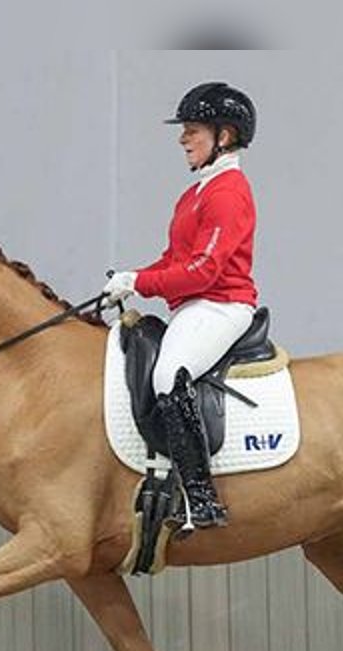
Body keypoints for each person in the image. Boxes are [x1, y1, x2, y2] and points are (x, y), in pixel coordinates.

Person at [104, 81, 259, 530]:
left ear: (223, 136)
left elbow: (204, 271)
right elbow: (175, 261)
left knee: (169, 376)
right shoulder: (195, 194)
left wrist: (142, 281)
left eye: (192, 129)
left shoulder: (228, 191)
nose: (183, 138)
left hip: (222, 304)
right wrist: (130, 280)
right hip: (195, 307)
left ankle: (202, 497)